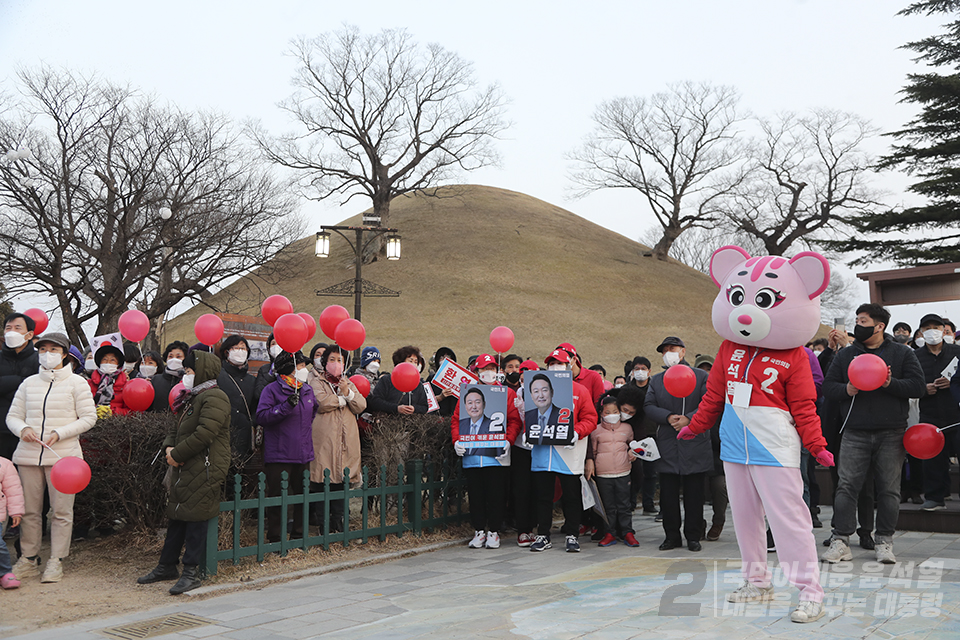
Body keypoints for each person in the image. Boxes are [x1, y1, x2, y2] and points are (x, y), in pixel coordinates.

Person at [678, 245, 836, 623]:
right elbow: (715, 394)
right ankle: (756, 579)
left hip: (774, 445)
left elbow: (804, 407)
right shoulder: (728, 347)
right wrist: (697, 425)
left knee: (789, 520)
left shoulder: (796, 355)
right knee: (746, 517)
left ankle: (810, 591)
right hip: (735, 445)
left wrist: (816, 444)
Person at [822, 303, 925, 566]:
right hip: (854, 431)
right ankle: (840, 540)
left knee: (889, 490)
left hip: (892, 432)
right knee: (846, 486)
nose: (858, 325)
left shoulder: (902, 353)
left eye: (863, 321)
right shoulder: (846, 356)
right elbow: (829, 388)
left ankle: (884, 541)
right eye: (857, 320)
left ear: (879, 326)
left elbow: (918, 387)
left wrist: (890, 383)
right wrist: (847, 388)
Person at [137, 350, 231, 595]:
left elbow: (204, 434)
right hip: (187, 464)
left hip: (205, 465)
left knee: (196, 518)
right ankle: (167, 565)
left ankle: (191, 572)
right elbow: (176, 427)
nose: (186, 375)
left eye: (189, 371)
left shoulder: (215, 397)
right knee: (177, 515)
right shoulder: (192, 397)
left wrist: (176, 454)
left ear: (202, 372)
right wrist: (169, 447)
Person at [8, 332, 96, 583]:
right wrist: (22, 429)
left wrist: (60, 433)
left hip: (63, 458)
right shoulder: (28, 384)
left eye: (53, 349)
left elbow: (89, 418)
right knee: (29, 512)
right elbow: (13, 416)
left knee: (61, 511)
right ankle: (28, 558)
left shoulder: (77, 383)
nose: (47, 354)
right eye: (43, 349)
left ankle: (56, 560)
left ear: (65, 354)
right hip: (28, 456)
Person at [644, 336, 712, 552]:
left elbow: (708, 403)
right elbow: (649, 405)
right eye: (664, 350)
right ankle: (671, 536)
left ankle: (693, 536)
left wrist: (689, 418)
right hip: (668, 443)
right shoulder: (656, 380)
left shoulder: (701, 377)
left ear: (683, 351)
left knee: (694, 495)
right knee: (668, 495)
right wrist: (669, 417)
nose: (668, 353)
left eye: (672, 349)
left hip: (694, 441)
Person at [529, 348, 598, 553]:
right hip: (543, 453)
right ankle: (543, 534)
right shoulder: (537, 388)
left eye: (559, 363)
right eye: (551, 364)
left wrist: (576, 432)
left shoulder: (579, 390)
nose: (555, 367)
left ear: (569, 365)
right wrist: (527, 429)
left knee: (571, 495)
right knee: (543, 495)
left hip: (569, 453)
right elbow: (531, 417)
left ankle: (572, 535)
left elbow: (591, 418)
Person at [451, 354, 522, 549]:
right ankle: (479, 530)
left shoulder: (506, 393)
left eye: (491, 368)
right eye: (484, 369)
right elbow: (457, 420)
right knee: (476, 495)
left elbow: (515, 420)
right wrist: (457, 441)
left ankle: (494, 531)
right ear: (477, 371)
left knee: (496, 494)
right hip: (473, 457)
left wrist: (509, 440)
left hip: (497, 457)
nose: (488, 372)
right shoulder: (467, 393)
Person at [256, 351, 317, 542]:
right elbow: (262, 416)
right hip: (279, 454)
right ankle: (276, 537)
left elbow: (313, 411)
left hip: (303, 452)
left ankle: (298, 535)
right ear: (289, 368)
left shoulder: (307, 390)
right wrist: (284, 407)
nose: (304, 370)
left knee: (302, 496)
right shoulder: (272, 390)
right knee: (277, 498)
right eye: (300, 366)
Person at [308, 346, 365, 533]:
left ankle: (339, 524)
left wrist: (347, 393)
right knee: (322, 483)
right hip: (324, 440)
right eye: (332, 359)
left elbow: (361, 405)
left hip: (345, 442)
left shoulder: (347, 383)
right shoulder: (316, 380)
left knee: (341, 483)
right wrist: (340, 400)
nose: (336, 364)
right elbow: (321, 402)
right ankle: (323, 525)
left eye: (339, 360)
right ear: (325, 362)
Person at [914, 314, 960, 510]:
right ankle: (934, 497)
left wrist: (954, 383)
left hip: (956, 413)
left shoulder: (957, 352)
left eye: (936, 327)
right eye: (927, 328)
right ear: (921, 332)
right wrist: (923, 389)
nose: (932, 331)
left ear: (944, 329)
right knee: (932, 459)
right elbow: (909, 384)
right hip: (930, 415)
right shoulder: (914, 356)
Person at [584, 396, 638, 547]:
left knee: (624, 505)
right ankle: (609, 533)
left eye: (615, 411)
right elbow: (592, 452)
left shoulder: (627, 428)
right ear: (601, 413)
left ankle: (627, 532)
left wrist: (633, 454)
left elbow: (633, 445)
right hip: (603, 473)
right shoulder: (595, 430)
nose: (612, 414)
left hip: (623, 472)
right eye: (608, 412)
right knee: (608, 506)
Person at [218, 335, 258, 485]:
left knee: (242, 480)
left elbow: (256, 407)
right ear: (227, 352)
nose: (240, 351)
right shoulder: (219, 375)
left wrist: (250, 422)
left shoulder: (252, 380)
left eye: (243, 348)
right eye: (236, 348)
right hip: (223, 435)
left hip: (245, 439)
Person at [0, 313, 39, 460]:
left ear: (29, 334)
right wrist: (21, 380)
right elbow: (28, 385)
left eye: (17, 328)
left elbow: (37, 390)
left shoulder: (39, 360)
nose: (12, 332)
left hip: (28, 430)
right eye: (8, 328)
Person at [512, 358, 540, 547]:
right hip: (521, 448)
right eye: (522, 378)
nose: (524, 382)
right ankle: (523, 530)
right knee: (521, 490)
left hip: (541, 447)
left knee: (539, 490)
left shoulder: (545, 393)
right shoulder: (516, 395)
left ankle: (537, 527)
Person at [367, 346, 429, 415]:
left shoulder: (418, 384)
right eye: (410, 361)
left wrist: (414, 409)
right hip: (387, 421)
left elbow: (425, 407)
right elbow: (376, 402)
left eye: (416, 362)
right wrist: (396, 408)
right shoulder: (386, 380)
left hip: (412, 422)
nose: (413, 364)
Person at [88, 337, 132, 416]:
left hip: (116, 425)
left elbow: (132, 412)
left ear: (118, 364)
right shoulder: (88, 384)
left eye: (112, 360)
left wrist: (112, 412)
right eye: (104, 359)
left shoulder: (127, 386)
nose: (108, 362)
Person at [0, 454, 24, 589]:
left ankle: (5, 572)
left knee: (0, 546)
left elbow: (14, 491)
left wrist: (16, 511)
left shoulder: (4, 464)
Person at [149, 341, 189, 412]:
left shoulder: (189, 381)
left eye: (178, 356)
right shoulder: (156, 380)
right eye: (170, 356)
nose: (174, 359)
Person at [253, 333, 281, 408]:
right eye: (273, 344)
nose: (276, 347)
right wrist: (270, 376)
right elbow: (258, 395)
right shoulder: (264, 369)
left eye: (280, 343)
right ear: (268, 349)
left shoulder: (295, 367)